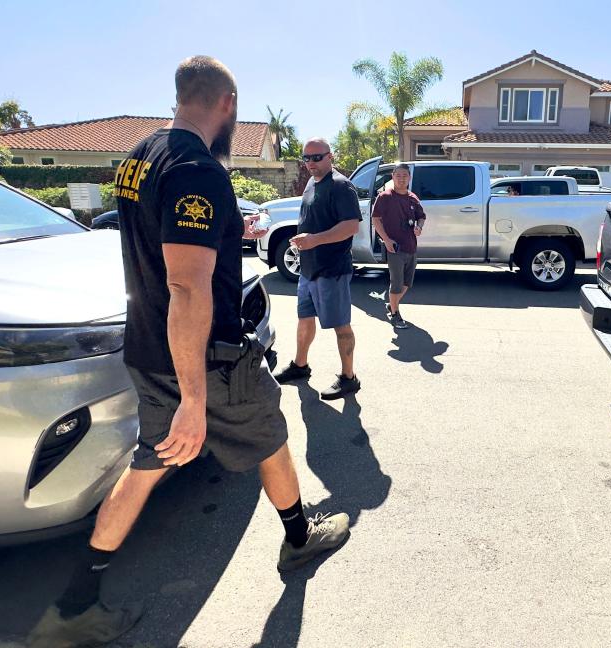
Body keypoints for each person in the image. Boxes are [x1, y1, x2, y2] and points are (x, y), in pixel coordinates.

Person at [28, 57, 349, 648]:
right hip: (209, 360)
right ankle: (300, 537)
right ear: (226, 102)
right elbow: (186, 284)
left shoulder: (139, 157)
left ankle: (73, 606)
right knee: (270, 435)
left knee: (149, 463)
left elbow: (164, 252)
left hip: (148, 351)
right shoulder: (198, 168)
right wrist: (195, 398)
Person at [272, 138, 362, 400]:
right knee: (304, 319)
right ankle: (300, 366)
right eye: (306, 158)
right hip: (308, 269)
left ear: (329, 156)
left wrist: (314, 240)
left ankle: (349, 378)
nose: (310, 163)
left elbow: (350, 226)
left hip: (332, 269)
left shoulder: (341, 186)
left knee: (340, 325)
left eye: (316, 157)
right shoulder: (312, 183)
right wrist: (303, 240)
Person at [371, 164, 425, 329]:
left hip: (411, 246)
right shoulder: (385, 197)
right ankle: (395, 314)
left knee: (407, 283)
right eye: (398, 175)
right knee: (396, 283)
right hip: (394, 248)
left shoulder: (413, 198)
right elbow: (376, 220)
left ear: (409, 178)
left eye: (405, 176)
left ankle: (391, 304)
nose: (401, 179)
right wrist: (386, 240)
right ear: (393, 177)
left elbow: (421, 217)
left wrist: (419, 227)